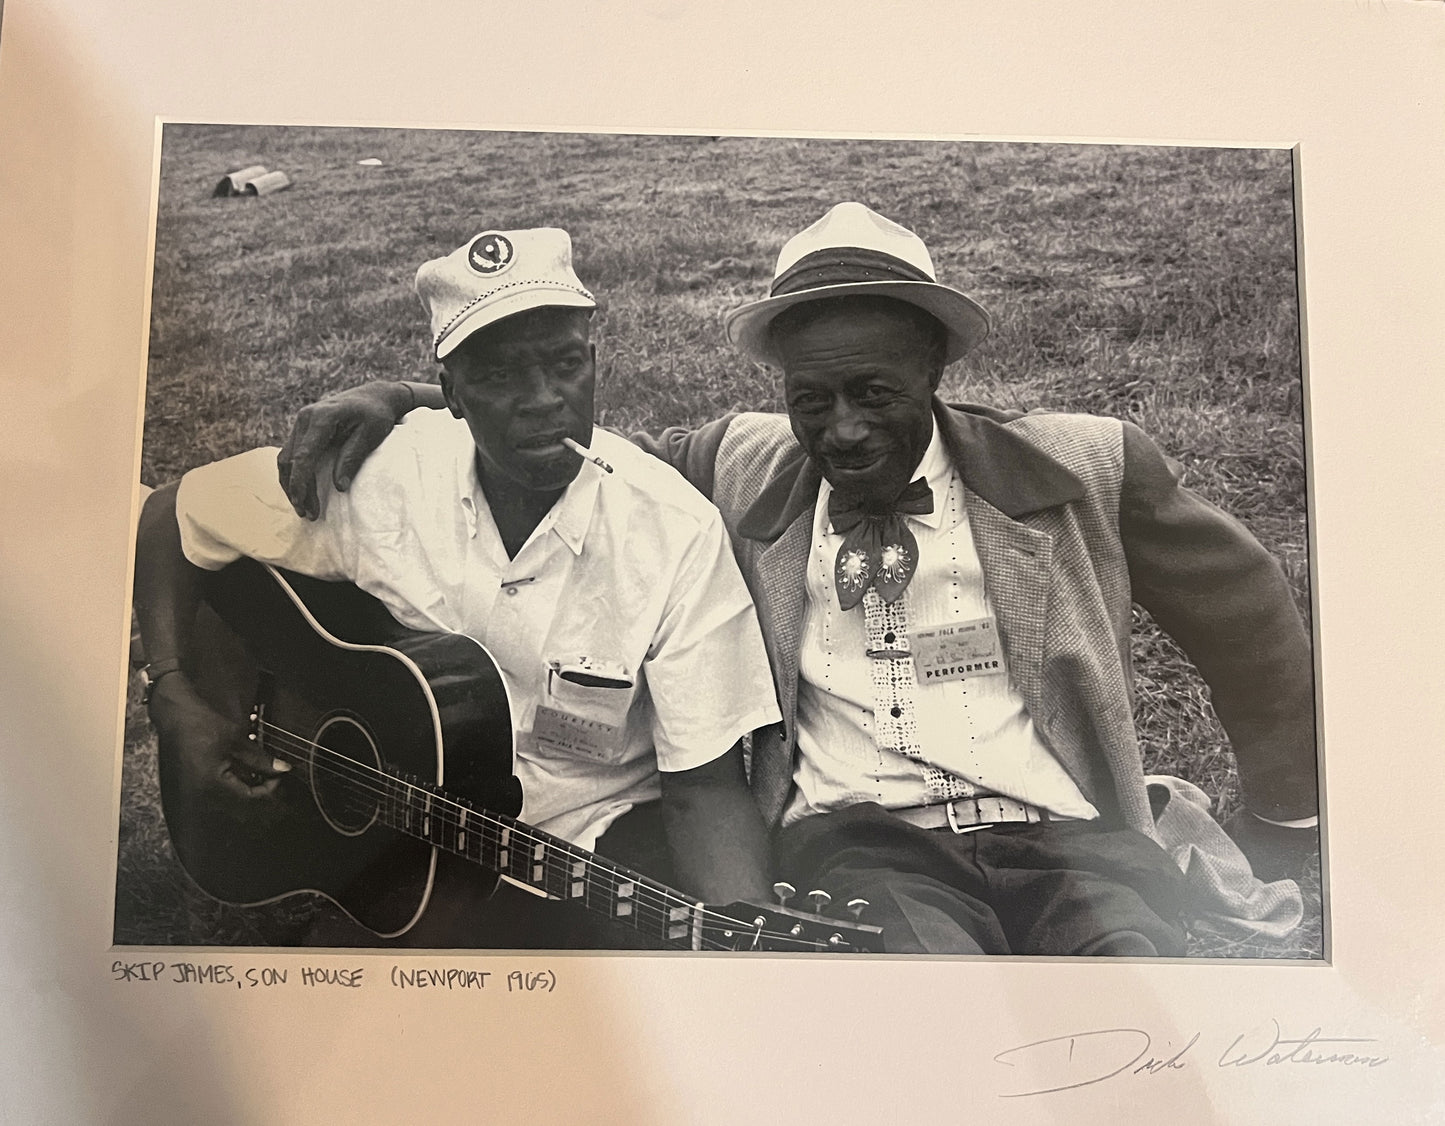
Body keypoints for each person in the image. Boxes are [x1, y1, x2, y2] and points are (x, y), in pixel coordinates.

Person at [278, 203, 1320, 955]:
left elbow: (1247, 614)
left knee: (1133, 1006)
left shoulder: (1080, 467)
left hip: (1064, 836)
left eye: (875, 393)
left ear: (934, 372)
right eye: (811, 399)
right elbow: (567, 433)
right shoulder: (741, 461)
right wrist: (412, 393)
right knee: (918, 1015)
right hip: (866, 846)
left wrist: (1281, 820)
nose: (844, 430)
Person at [133, 226, 781, 948]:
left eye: (565, 364)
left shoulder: (673, 532)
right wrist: (173, 697)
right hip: (396, 845)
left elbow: (705, 788)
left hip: (588, 840)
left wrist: (746, 943)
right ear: (451, 394)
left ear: (594, 363)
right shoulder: (380, 478)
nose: (542, 400)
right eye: (500, 376)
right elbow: (171, 513)